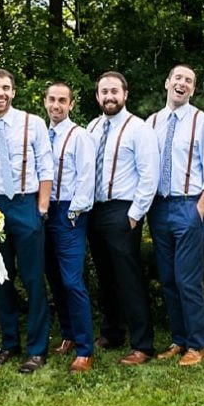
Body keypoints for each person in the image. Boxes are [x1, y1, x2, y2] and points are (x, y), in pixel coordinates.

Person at [0, 69, 57, 373]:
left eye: (5, 87)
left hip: (26, 204)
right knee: (1, 278)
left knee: (33, 279)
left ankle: (36, 349)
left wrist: (41, 208)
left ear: (13, 92)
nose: (0, 93)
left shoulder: (33, 123)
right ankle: (9, 343)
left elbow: (46, 167)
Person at [147, 65, 204, 367]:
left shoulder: (202, 122)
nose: (182, 83)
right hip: (159, 207)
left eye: (189, 81)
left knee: (187, 278)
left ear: (192, 89)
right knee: (168, 278)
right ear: (167, 83)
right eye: (178, 78)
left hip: (189, 205)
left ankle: (197, 343)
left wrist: (200, 209)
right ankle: (178, 340)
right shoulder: (152, 122)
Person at [86, 72, 161, 366]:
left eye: (114, 91)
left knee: (129, 277)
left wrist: (134, 215)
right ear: (97, 96)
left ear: (125, 94)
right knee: (105, 275)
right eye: (104, 92)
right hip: (95, 209)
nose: (109, 96)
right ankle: (112, 332)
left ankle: (143, 344)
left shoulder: (138, 129)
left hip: (123, 210)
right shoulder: (93, 127)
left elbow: (149, 175)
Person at [42, 82, 98, 373]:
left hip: (69, 212)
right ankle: (68, 335)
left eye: (62, 100)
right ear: (45, 102)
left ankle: (85, 349)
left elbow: (87, 176)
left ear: (71, 104)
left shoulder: (79, 136)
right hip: (44, 210)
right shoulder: (41, 134)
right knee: (54, 277)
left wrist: (75, 212)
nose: (56, 105)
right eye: (52, 99)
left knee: (72, 281)